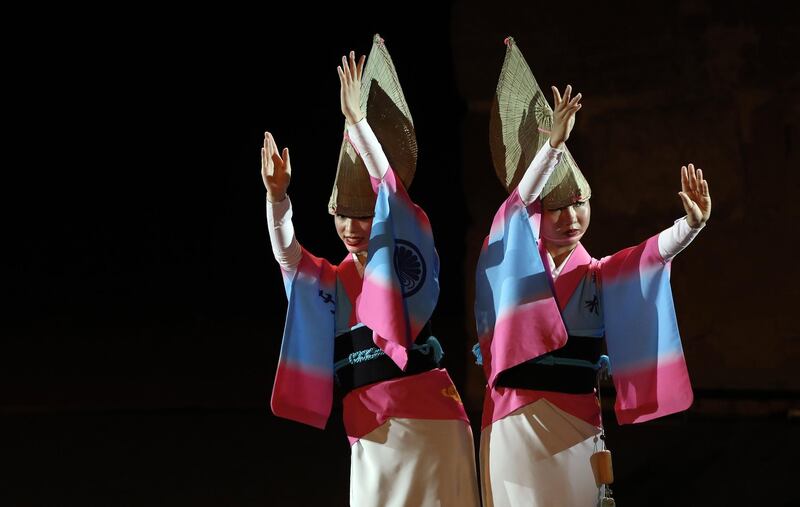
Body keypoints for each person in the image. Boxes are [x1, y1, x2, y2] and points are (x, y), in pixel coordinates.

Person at [474, 37, 711, 506]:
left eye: (581, 204)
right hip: (515, 419)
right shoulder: (511, 267)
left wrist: (690, 226)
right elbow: (516, 205)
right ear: (538, 216)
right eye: (559, 207)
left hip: (578, 422)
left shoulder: (598, 275)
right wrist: (552, 148)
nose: (573, 216)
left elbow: (649, 257)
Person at [264, 36, 479, 507]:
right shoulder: (329, 282)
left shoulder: (400, 261)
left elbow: (390, 188)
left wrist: (358, 123)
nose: (350, 227)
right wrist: (277, 199)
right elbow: (287, 256)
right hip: (370, 430)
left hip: (433, 423)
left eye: (363, 216)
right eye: (342, 214)